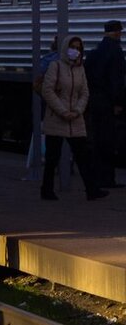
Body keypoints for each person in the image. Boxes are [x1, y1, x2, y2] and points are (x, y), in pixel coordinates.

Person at [40, 35, 107, 201]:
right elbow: (48, 91)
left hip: (75, 119)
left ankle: (92, 190)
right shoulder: (55, 66)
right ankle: (46, 190)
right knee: (52, 157)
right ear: (65, 48)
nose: (75, 51)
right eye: (73, 47)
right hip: (57, 117)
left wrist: (77, 111)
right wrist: (63, 111)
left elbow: (84, 92)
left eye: (78, 48)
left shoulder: (80, 69)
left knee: (83, 155)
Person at [83, 20, 126, 188]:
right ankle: (108, 179)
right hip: (108, 101)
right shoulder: (115, 51)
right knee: (109, 140)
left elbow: (88, 73)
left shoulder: (96, 51)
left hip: (96, 100)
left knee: (97, 138)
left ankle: (97, 175)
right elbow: (116, 79)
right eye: (120, 32)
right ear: (116, 33)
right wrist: (118, 102)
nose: (121, 35)